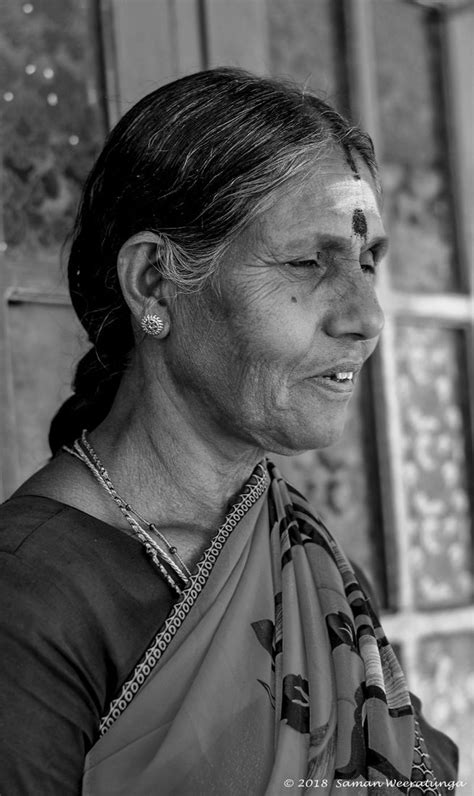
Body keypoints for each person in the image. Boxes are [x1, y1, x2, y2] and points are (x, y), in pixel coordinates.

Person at [0, 68, 457, 795]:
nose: (367, 317)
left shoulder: (301, 559)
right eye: (310, 262)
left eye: (368, 263)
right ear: (154, 280)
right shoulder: (30, 597)